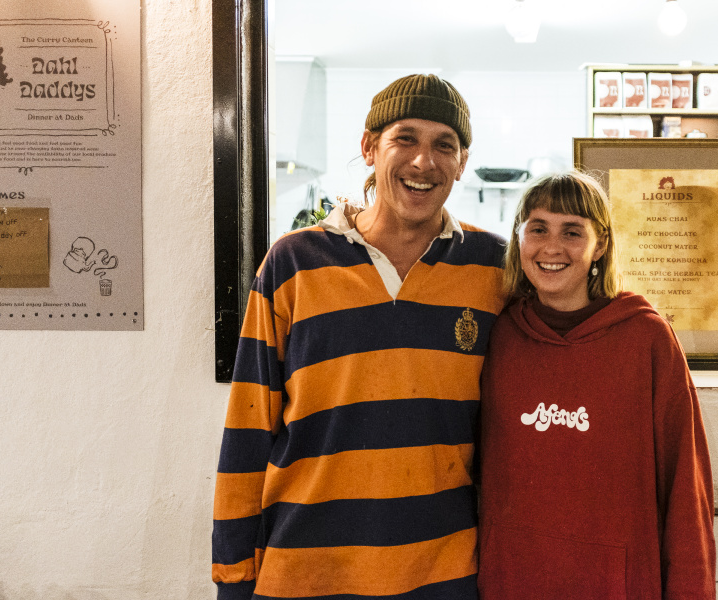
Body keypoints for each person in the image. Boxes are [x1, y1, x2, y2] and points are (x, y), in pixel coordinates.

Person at [212, 74, 506, 600]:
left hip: (444, 573)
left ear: (463, 162)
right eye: (405, 139)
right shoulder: (293, 263)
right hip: (305, 571)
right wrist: (233, 576)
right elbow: (248, 429)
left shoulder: (494, 268)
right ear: (369, 147)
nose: (424, 161)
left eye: (445, 145)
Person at [477, 172, 715, 599]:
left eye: (572, 232)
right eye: (538, 229)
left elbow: (686, 488)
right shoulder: (499, 334)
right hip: (511, 579)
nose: (552, 248)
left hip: (616, 584)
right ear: (519, 238)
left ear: (600, 245)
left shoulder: (646, 339)